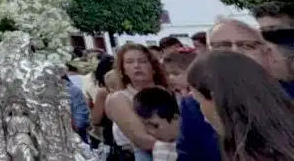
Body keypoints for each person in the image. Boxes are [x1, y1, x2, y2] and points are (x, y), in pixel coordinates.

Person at [176, 19, 294, 161]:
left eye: (247, 45)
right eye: (222, 46)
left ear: (267, 53)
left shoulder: (288, 95)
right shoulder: (193, 105)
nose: (235, 52)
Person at [106, 43, 169, 160]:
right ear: (123, 70)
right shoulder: (119, 98)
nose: (137, 66)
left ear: (153, 67)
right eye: (129, 62)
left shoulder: (169, 92)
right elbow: (141, 139)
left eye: (142, 61)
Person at [133, 87, 180, 161]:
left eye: (155, 125)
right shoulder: (159, 147)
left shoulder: (193, 144)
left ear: (175, 118)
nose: (149, 131)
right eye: (145, 125)